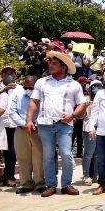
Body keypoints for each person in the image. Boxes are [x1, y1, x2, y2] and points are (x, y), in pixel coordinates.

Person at [26, 51, 86, 197]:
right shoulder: (42, 82)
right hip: (45, 124)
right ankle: (51, 185)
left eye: (54, 64)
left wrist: (72, 115)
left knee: (66, 154)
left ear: (64, 67)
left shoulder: (74, 84)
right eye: (50, 63)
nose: (50, 66)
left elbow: (82, 104)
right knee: (48, 155)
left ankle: (66, 184)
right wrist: (29, 120)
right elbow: (33, 102)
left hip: (64, 124)